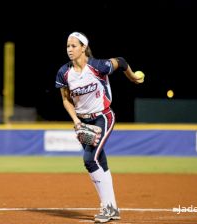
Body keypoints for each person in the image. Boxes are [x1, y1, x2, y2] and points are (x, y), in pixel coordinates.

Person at [55, 32, 144, 223]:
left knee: (89, 159)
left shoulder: (97, 66)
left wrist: (132, 78)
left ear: (83, 47)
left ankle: (107, 207)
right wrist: (76, 122)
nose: (69, 49)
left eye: (73, 45)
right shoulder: (64, 72)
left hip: (103, 117)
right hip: (84, 122)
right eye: (67, 46)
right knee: (100, 161)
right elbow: (66, 99)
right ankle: (113, 209)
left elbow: (120, 61)